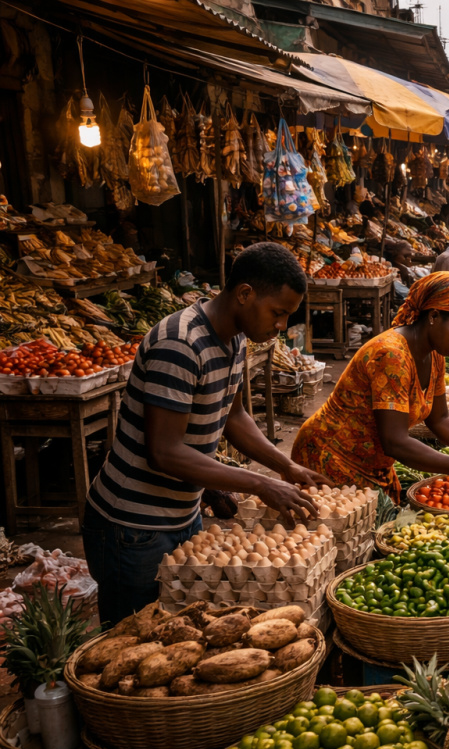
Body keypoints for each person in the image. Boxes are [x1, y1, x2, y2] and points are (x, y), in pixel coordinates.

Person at [83, 243, 328, 624]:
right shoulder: (180, 344)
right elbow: (165, 451)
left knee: (177, 634)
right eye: (278, 313)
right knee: (129, 641)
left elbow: (233, 416)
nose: (281, 326)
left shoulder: (235, 339)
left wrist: (285, 466)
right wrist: (259, 485)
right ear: (245, 294)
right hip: (131, 525)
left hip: (181, 513)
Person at [292, 273, 449, 504]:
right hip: (331, 456)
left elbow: (440, 419)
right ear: (434, 316)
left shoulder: (435, 354)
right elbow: (395, 442)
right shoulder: (391, 355)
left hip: (374, 461)